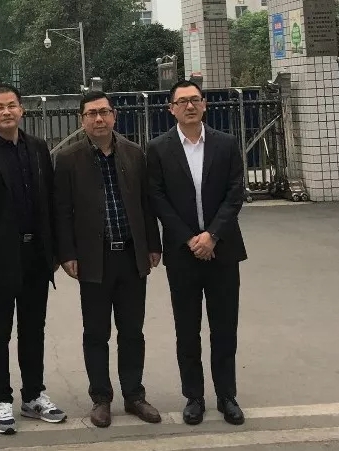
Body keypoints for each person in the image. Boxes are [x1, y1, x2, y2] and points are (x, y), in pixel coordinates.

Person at [0, 83, 66, 435]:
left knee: (34, 329)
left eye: (12, 105)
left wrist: (53, 251)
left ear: (22, 110)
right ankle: (1, 400)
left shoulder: (37, 148)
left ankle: (33, 395)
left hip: (36, 254)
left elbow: (50, 201)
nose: (7, 112)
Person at [54, 90, 163, 428]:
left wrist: (153, 244)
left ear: (114, 115)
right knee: (96, 332)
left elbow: (146, 204)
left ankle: (134, 395)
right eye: (91, 114)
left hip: (131, 256)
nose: (98, 119)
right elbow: (62, 212)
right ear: (82, 120)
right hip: (93, 259)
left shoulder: (134, 153)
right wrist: (67, 253)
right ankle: (101, 398)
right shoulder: (68, 159)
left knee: (132, 331)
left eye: (104, 112)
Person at [146, 80, 247, 426]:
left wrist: (212, 236)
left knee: (224, 328)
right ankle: (194, 397)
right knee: (187, 329)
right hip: (183, 253)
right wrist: (190, 239)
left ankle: (227, 395)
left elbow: (235, 193)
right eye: (182, 101)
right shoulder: (158, 149)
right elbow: (157, 198)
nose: (189, 106)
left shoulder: (226, 143)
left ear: (204, 104)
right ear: (171, 109)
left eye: (195, 100)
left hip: (223, 250)